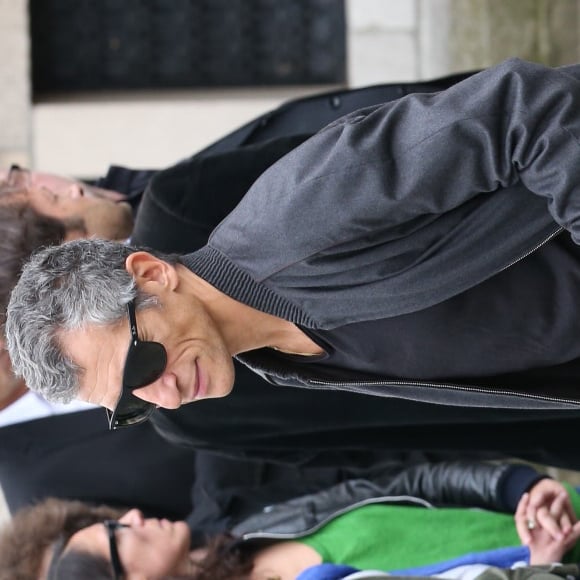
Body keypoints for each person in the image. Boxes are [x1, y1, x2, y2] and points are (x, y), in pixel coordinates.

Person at [9, 58, 580, 468]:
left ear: (151, 274)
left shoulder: (295, 216)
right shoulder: (282, 361)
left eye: (140, 367)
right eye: (131, 404)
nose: (164, 397)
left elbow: (526, 108)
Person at [9, 461, 580, 580]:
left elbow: (400, 483)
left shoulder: (246, 519)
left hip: (560, 513)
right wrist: (540, 570)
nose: (130, 516)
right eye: (115, 536)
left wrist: (517, 485)